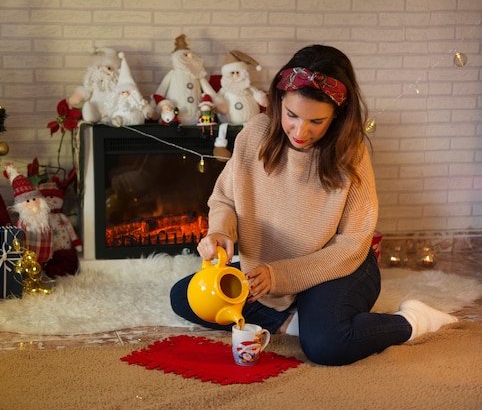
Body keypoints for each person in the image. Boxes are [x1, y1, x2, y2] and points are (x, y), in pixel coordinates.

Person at [170, 44, 457, 366]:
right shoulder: (255, 134)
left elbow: (350, 245)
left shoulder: (351, 154)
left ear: (337, 114)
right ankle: (294, 323)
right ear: (278, 102)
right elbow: (224, 198)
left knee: (327, 347)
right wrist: (221, 231)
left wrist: (280, 277)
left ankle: (413, 322)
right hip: (271, 267)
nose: (300, 131)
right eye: (291, 115)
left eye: (316, 121)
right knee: (185, 297)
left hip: (338, 267)